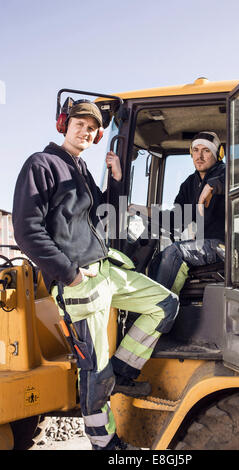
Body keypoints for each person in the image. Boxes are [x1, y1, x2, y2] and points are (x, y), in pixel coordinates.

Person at [12, 100, 179, 451]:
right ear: (64, 124)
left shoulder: (81, 168)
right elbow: (27, 230)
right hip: (81, 282)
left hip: (106, 270)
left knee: (165, 302)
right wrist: (69, 274)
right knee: (94, 371)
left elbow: (103, 215)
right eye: (80, 124)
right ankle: (105, 443)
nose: (85, 131)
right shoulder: (41, 164)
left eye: (92, 128)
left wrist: (118, 179)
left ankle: (122, 372)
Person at [148, 131, 225, 296]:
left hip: (224, 245)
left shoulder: (226, 172)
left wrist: (212, 186)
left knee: (174, 252)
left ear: (218, 154)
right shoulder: (190, 184)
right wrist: (146, 212)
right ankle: (156, 307)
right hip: (205, 244)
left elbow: (237, 177)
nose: (200, 156)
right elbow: (177, 220)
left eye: (206, 150)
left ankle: (160, 307)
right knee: (158, 259)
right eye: (196, 150)